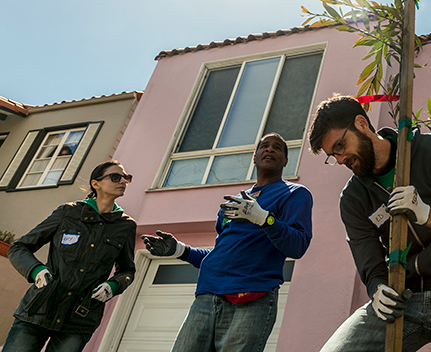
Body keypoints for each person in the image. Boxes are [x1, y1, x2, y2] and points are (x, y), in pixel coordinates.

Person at [308, 95, 431, 351]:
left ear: (361, 123)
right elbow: (369, 260)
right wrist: (378, 290)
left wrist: (425, 213)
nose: (339, 159)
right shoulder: (353, 197)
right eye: (331, 155)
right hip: (403, 298)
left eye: (340, 146)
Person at [140, 133, 313, 352]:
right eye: (264, 146)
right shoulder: (235, 203)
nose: (269, 150)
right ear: (254, 156)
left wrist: (264, 219)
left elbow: (297, 246)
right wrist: (180, 250)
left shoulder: (294, 194)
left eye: (277, 148)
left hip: (251, 297)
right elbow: (220, 255)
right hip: (206, 297)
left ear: (286, 161)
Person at [5, 160, 137, 352]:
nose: (123, 181)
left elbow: (127, 270)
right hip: (38, 309)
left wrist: (113, 285)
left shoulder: (126, 226)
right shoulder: (68, 213)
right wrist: (36, 271)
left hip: (80, 319)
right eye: (116, 177)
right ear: (96, 183)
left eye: (127, 178)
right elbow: (19, 247)